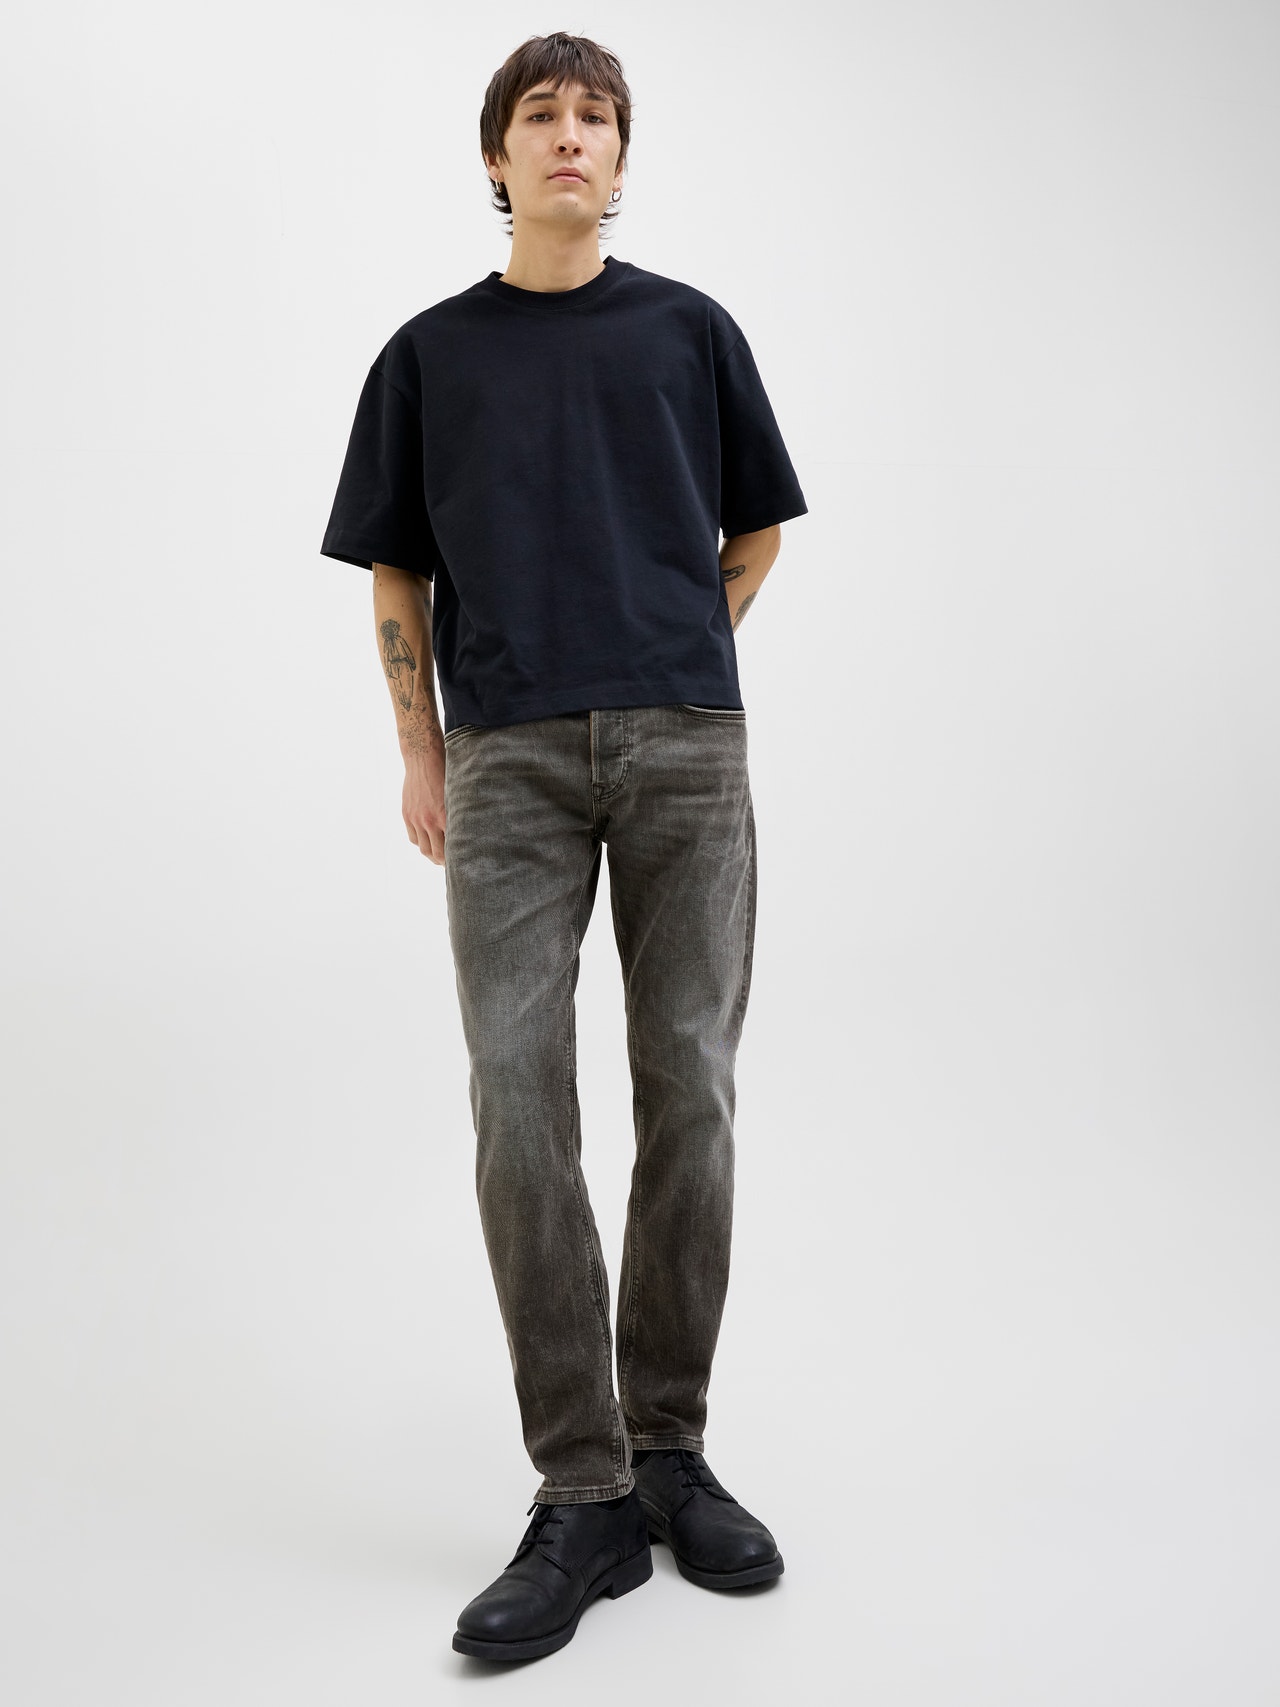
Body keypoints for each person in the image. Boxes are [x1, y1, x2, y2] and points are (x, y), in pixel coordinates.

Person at [319, 30, 808, 1663]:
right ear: (498, 158)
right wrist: (421, 748)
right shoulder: (428, 355)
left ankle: (670, 1451)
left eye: (598, 117)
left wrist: (676, 646)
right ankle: (583, 1490)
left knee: (692, 1089)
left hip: (686, 749)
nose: (572, 138)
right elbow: (394, 569)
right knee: (519, 1104)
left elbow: (758, 529)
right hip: (507, 764)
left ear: (621, 155)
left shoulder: (689, 331)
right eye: (542, 117)